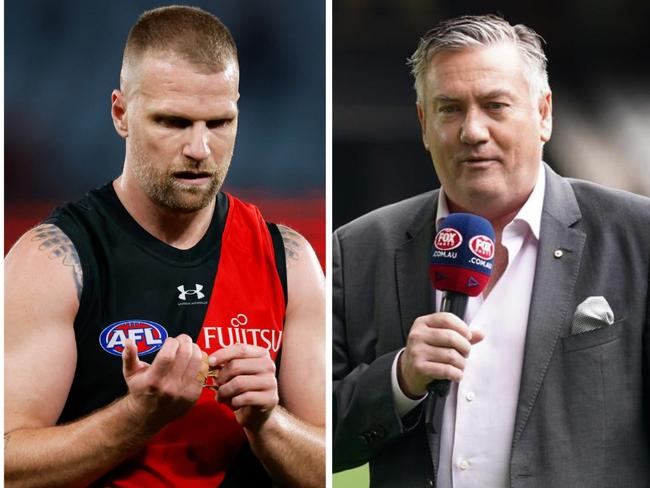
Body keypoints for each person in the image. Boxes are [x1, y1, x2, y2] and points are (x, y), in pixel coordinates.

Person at [5, 6, 324, 487]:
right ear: (121, 114)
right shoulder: (54, 259)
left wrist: (267, 421)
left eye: (219, 122)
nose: (199, 148)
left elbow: (329, 472)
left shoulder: (288, 260)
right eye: (173, 122)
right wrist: (138, 417)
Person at [333, 14, 649, 487]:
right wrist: (399, 381)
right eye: (450, 109)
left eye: (495, 105)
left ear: (543, 114)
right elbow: (319, 439)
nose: (472, 131)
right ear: (424, 123)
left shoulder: (636, 236)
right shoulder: (359, 248)